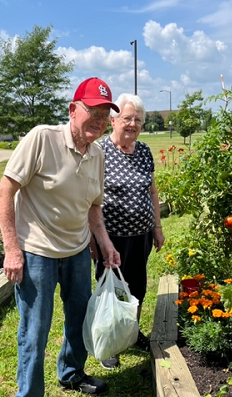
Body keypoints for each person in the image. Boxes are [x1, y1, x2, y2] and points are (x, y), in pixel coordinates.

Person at [0, 77, 121, 397]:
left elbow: (94, 208)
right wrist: (12, 249)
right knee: (35, 331)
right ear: (72, 110)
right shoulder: (42, 138)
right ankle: (31, 393)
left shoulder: (97, 155)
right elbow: (4, 191)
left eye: (105, 114)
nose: (100, 120)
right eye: (93, 110)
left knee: (79, 318)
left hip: (77, 249)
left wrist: (105, 244)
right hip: (37, 251)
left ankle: (71, 373)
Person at [92, 93, 165, 370]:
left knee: (138, 287)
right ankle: (109, 342)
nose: (132, 124)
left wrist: (157, 228)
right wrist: (94, 238)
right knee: (111, 290)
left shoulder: (144, 151)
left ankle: (130, 333)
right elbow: (89, 199)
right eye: (127, 118)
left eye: (138, 120)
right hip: (111, 238)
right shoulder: (100, 152)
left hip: (142, 235)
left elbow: (152, 190)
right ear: (114, 120)